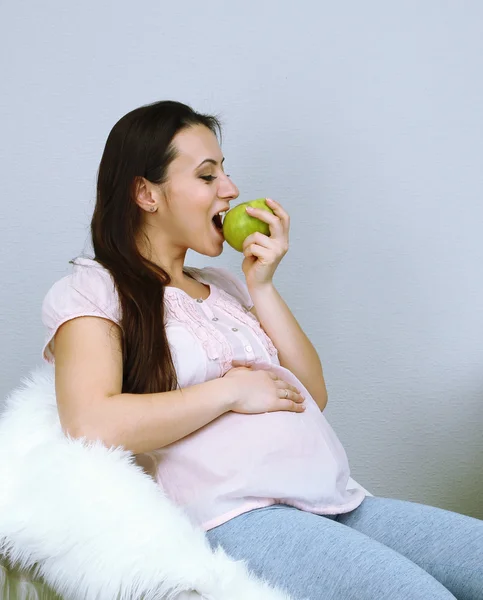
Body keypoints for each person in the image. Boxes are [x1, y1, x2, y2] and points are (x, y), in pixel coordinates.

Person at [41, 100, 482, 600]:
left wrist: (263, 285)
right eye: (207, 176)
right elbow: (91, 423)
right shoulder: (95, 290)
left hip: (334, 501)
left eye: (225, 172)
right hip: (236, 515)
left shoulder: (226, 286)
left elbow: (313, 391)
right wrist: (229, 393)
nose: (230, 189)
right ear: (146, 193)